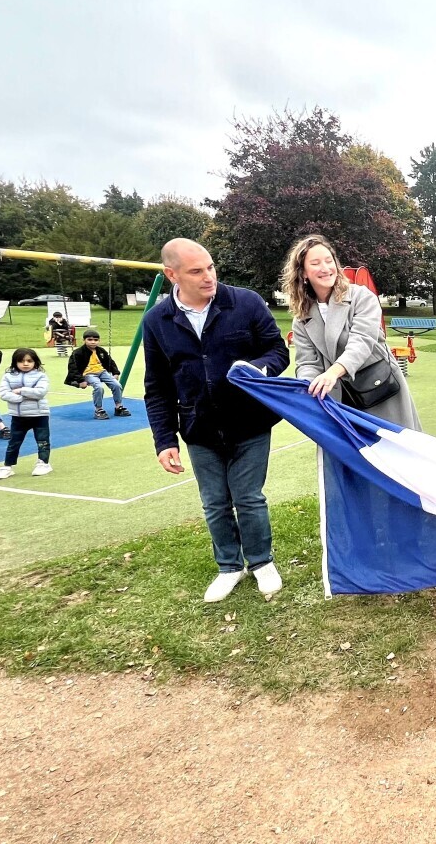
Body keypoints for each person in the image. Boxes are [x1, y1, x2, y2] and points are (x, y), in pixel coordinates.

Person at [143, 238, 291, 603]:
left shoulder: (246, 302)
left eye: (210, 267)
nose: (208, 276)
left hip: (251, 421)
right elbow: (157, 387)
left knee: (249, 498)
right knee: (214, 503)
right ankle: (229, 567)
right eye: (196, 271)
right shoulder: (156, 321)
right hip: (198, 427)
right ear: (172, 275)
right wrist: (164, 440)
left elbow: (277, 350)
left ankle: (261, 562)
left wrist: (258, 369)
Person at [280, 234, 421, 430]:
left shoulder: (361, 297)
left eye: (329, 260)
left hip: (380, 389)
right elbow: (307, 362)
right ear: (303, 273)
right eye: (315, 263)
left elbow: (362, 342)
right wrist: (308, 386)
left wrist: (332, 373)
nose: (325, 268)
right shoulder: (302, 318)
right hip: (338, 402)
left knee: (393, 446)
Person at [0, 348, 52, 479]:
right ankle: (7, 466)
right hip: (18, 416)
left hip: (39, 415)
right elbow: (4, 393)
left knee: (42, 440)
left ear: (35, 362)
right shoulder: (8, 376)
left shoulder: (41, 376)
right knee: (14, 441)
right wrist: (21, 398)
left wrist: (21, 390)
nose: (25, 364)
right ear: (15, 362)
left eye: (29, 361)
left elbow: (40, 392)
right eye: (21, 361)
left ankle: (43, 463)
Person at [65, 328, 130, 420]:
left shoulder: (101, 351)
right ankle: (98, 409)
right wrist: (81, 380)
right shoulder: (78, 353)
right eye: (90, 340)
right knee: (99, 387)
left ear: (99, 341)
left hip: (102, 372)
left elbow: (110, 361)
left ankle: (118, 407)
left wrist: (115, 372)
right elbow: (73, 368)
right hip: (88, 373)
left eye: (95, 340)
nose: (93, 342)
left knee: (117, 385)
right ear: (84, 340)